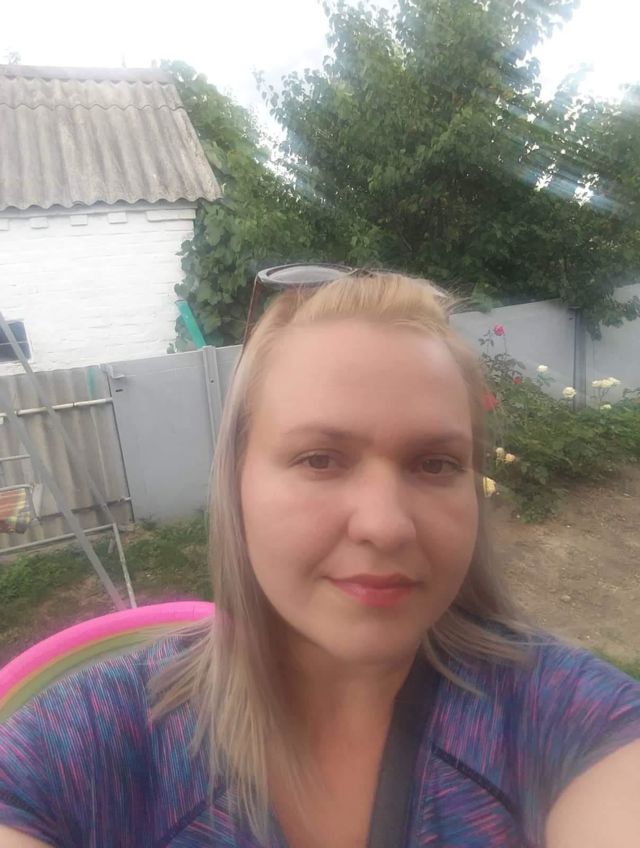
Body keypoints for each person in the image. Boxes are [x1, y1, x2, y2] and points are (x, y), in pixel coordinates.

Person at [0, 272, 639, 848]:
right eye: (320, 459)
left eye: (434, 463)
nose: (385, 525)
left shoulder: (568, 721)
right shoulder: (83, 747)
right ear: (237, 484)